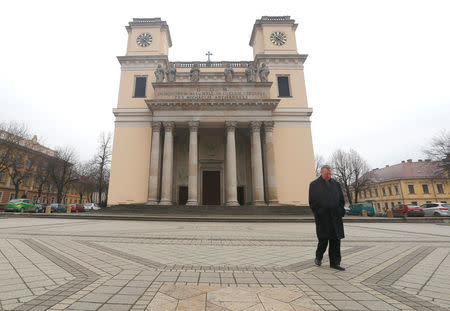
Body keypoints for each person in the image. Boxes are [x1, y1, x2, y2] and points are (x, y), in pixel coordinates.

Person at [309, 165, 346, 270]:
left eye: (330, 174)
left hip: (335, 217)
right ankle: (318, 257)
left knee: (336, 240)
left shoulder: (336, 184)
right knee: (323, 239)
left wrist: (340, 211)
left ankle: (335, 263)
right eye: (326, 174)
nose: (329, 176)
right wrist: (319, 213)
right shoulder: (314, 185)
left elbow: (341, 199)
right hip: (323, 217)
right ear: (321, 173)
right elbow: (312, 202)